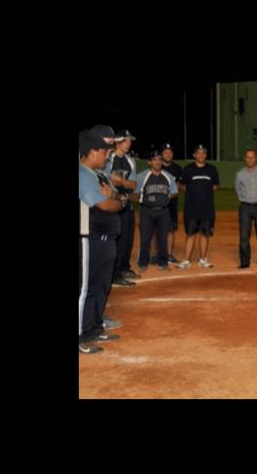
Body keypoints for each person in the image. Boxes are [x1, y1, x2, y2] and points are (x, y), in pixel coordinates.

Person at [79, 125, 124, 353]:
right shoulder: (83, 173)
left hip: (103, 239)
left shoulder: (98, 174)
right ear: (92, 151)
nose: (107, 156)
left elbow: (115, 194)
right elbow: (106, 204)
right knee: (85, 289)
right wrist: (120, 202)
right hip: (88, 238)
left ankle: (93, 327)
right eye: (105, 152)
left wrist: (116, 198)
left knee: (100, 286)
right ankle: (81, 336)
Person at [104, 130, 140, 287]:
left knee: (127, 238)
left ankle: (124, 267)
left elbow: (133, 185)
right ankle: (114, 274)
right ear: (118, 141)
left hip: (127, 203)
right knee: (115, 238)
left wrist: (120, 181)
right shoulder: (108, 158)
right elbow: (105, 180)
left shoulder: (130, 161)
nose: (129, 143)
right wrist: (117, 184)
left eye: (130, 141)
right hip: (111, 203)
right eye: (127, 140)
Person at [134, 150, 179, 272]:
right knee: (145, 238)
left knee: (162, 238)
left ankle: (162, 262)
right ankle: (143, 262)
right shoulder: (142, 176)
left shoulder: (168, 177)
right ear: (149, 162)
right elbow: (136, 194)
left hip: (163, 211)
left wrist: (164, 197)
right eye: (154, 159)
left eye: (159, 159)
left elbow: (174, 192)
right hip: (146, 211)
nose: (157, 162)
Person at [178, 144, 220, 269]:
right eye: (199, 153)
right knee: (190, 234)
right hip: (191, 208)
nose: (201, 155)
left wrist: (205, 191)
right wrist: (190, 191)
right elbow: (180, 184)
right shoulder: (188, 169)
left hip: (207, 208)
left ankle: (202, 259)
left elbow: (216, 185)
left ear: (206, 155)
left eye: (204, 153)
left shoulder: (212, 169)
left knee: (204, 234)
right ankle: (187, 260)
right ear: (194, 155)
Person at [235, 148, 257, 269]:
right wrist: (244, 199)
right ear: (245, 158)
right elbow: (238, 189)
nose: (250, 159)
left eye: (252, 157)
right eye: (248, 157)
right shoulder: (240, 174)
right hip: (245, 207)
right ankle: (245, 261)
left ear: (256, 158)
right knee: (244, 236)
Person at [154, 143, 183, 264]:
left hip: (171, 204)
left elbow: (178, 186)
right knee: (157, 229)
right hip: (157, 204)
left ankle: (169, 254)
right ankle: (156, 255)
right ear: (161, 154)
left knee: (170, 230)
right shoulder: (157, 166)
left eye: (170, 152)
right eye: (165, 152)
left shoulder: (177, 168)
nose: (168, 154)